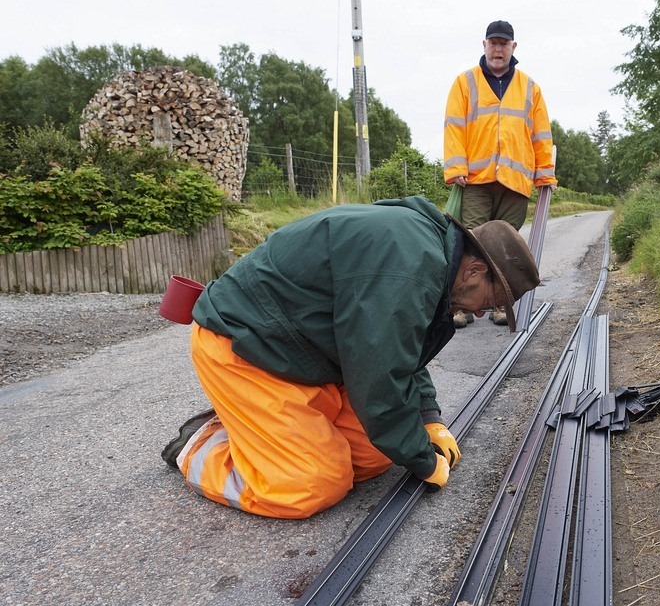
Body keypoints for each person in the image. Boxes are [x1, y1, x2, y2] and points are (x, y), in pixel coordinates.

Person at [160, 196, 540, 519]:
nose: (478, 314)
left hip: (304, 355)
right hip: (247, 347)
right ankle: (199, 443)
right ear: (474, 270)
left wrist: (427, 418)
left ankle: (264, 429)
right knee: (309, 484)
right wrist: (424, 459)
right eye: (487, 302)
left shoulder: (433, 256)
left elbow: (400, 350)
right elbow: (378, 377)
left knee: (374, 456)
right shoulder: (409, 270)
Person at [444, 19, 557, 329]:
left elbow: (541, 135)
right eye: (492, 42)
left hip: (514, 181)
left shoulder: (530, 88)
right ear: (484, 45)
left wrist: (545, 174)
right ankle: (461, 305)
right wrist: (455, 167)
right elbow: (454, 126)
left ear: (513, 47)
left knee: (506, 244)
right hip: (477, 179)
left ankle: (500, 304)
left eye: (503, 43)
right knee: (470, 241)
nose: (497, 48)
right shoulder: (465, 83)